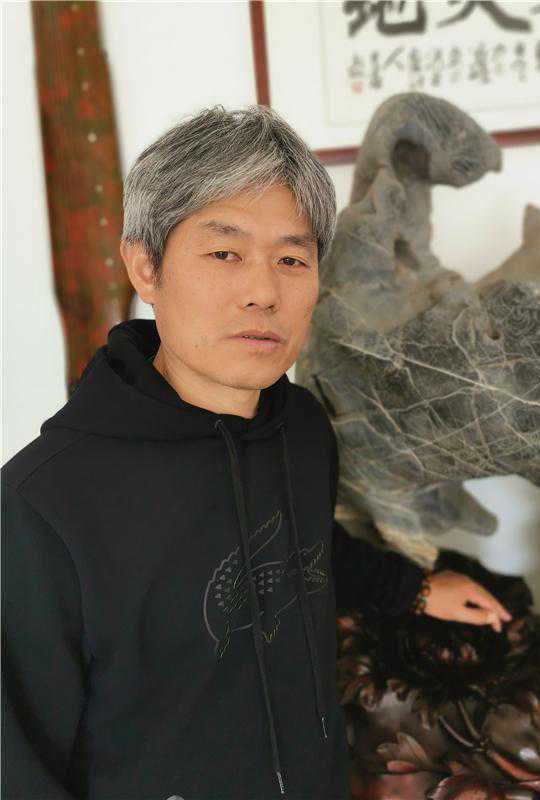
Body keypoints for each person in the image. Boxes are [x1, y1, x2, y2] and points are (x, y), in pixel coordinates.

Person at [1, 104, 511, 800]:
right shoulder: (41, 507)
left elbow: (301, 546)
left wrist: (416, 589)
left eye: (292, 259)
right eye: (225, 253)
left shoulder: (299, 429)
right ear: (145, 266)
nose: (264, 292)